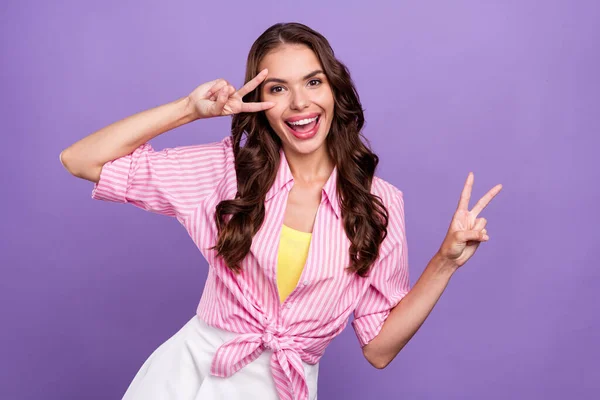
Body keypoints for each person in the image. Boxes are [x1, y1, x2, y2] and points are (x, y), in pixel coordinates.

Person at [60, 22, 502, 400]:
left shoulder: (379, 203)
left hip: (284, 388)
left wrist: (444, 262)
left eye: (313, 82)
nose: (299, 104)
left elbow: (379, 349)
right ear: (261, 103)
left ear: (335, 89)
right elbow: (80, 160)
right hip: (189, 379)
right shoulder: (226, 170)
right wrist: (189, 110)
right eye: (278, 88)